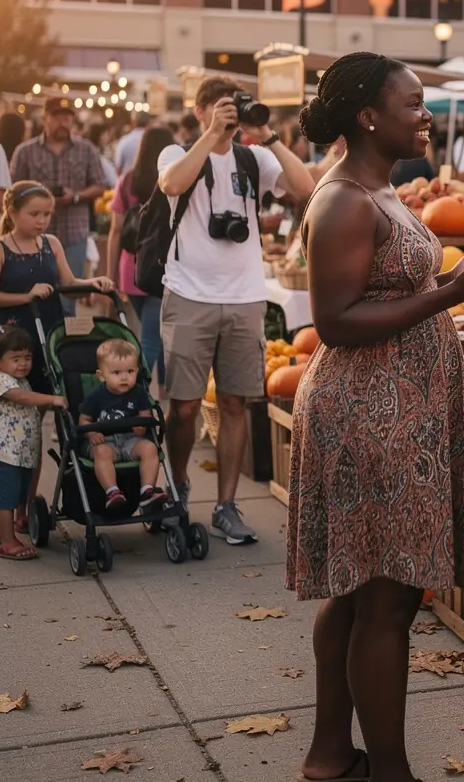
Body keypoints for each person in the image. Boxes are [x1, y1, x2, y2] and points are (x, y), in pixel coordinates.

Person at [286, 52, 464, 782]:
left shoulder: (379, 188)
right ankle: (391, 773)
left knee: (362, 591)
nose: (426, 115)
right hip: (369, 417)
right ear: (369, 115)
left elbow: (390, 285)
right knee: (388, 604)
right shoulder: (343, 200)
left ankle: (330, 755)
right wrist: (449, 293)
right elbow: (334, 321)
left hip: (394, 414)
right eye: (413, 102)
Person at [157, 76, 314, 545]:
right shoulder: (177, 151)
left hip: (244, 296)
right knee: (184, 406)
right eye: (221, 107)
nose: (229, 116)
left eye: (235, 108)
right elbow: (172, 182)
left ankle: (227, 504)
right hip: (188, 293)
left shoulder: (255, 158)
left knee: (234, 403)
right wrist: (211, 134)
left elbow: (306, 187)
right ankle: (178, 486)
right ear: (201, 109)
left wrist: (265, 135)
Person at [0, 182, 114, 530]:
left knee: (37, 430)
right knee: (15, 429)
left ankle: (26, 509)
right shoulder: (1, 248)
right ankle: (9, 504)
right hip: (14, 343)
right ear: (12, 212)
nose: (42, 220)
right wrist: (25, 295)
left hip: (50, 340)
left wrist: (94, 283)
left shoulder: (52, 245)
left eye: (47, 214)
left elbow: (69, 280)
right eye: (34, 214)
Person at [9, 96, 106, 285]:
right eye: (57, 118)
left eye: (67, 119)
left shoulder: (86, 150)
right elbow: (13, 190)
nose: (63, 123)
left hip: (74, 233)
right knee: (34, 293)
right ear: (44, 118)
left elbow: (100, 186)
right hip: (33, 236)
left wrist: (76, 196)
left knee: (69, 294)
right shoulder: (25, 151)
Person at [106, 126, 174, 390]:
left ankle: (167, 389)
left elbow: (115, 230)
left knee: (156, 333)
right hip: (162, 265)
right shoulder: (174, 178)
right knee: (152, 338)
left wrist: (111, 274)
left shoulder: (127, 180)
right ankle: (136, 393)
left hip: (131, 267)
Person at [0, 327, 67, 560]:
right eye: (16, 359)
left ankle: (3, 529)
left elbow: (30, 405)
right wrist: (51, 398)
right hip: (6, 454)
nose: (23, 364)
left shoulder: (21, 380)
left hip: (21, 452)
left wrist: (46, 405)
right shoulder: (1, 380)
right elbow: (20, 398)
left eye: (27, 358)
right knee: (5, 498)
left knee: (17, 494)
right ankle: (7, 543)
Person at [78, 338, 163, 514]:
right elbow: (84, 419)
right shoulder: (95, 396)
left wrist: (142, 425)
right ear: (101, 375)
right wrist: (92, 433)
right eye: (116, 373)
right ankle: (112, 492)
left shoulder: (138, 392)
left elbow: (145, 413)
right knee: (102, 452)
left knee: (150, 448)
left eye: (130, 371)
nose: (125, 377)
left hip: (131, 440)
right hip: (105, 441)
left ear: (137, 371)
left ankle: (147, 491)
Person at [115, 111, 150, 176]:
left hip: (128, 182)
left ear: (133, 122)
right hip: (149, 182)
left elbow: (118, 167)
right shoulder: (152, 141)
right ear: (149, 123)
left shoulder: (124, 141)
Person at [85, 122, 117, 188]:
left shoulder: (102, 154)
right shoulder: (97, 158)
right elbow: (113, 180)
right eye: (105, 134)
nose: (107, 138)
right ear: (99, 136)